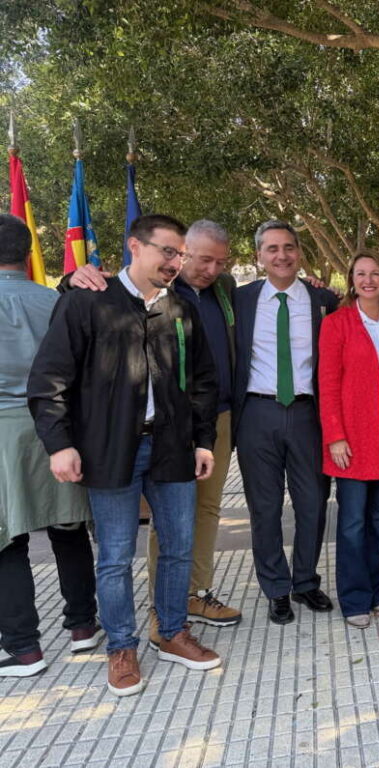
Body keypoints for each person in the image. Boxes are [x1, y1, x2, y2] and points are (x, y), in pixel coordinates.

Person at [28, 214, 221, 697]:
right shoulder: (86, 303)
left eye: (181, 254)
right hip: (111, 450)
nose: (176, 262)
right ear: (135, 245)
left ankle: (172, 632)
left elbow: (202, 381)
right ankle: (121, 646)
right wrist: (61, 444)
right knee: (115, 555)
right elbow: (49, 381)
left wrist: (202, 440)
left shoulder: (181, 310)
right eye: (168, 251)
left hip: (173, 448)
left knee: (178, 545)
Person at [69, 219, 244, 642]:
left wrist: (204, 438)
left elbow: (206, 373)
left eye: (219, 262)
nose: (206, 268)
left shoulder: (212, 296)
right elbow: (59, 370)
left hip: (195, 429)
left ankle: (183, 612)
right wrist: (69, 277)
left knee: (190, 528)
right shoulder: (117, 297)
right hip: (133, 438)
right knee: (133, 542)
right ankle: (138, 630)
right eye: (196, 258)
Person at [0, 214, 98, 678]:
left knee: (7, 543)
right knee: (68, 529)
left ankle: (23, 648)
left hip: (3, 436)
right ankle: (83, 627)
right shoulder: (56, 302)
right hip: (57, 429)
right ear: (26, 254)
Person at [233, 220, 339, 625]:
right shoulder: (239, 299)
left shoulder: (323, 299)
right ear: (258, 255)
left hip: (308, 413)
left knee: (313, 502)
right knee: (265, 507)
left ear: (299, 252)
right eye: (272, 248)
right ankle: (276, 588)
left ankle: (306, 581)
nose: (281, 255)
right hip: (256, 413)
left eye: (289, 247)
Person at [319, 250, 379, 628]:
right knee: (353, 519)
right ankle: (354, 599)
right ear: (351, 279)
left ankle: (375, 592)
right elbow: (327, 383)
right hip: (354, 428)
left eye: (376, 273)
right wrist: (335, 436)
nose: (368, 280)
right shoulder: (337, 323)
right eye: (361, 274)